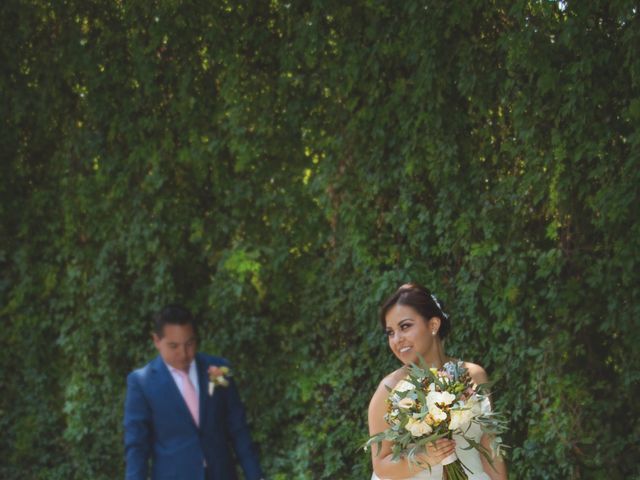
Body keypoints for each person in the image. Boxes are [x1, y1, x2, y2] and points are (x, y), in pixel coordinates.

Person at [369, 283, 508, 480]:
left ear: (433, 325)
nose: (396, 339)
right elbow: (382, 465)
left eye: (405, 326)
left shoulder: (474, 375)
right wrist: (427, 457)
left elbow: (490, 446)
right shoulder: (389, 389)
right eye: (390, 332)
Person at [124, 304, 265, 480]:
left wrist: (256, 475)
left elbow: (238, 428)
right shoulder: (141, 382)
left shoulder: (218, 369)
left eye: (189, 343)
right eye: (174, 346)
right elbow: (137, 445)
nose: (183, 354)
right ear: (156, 341)